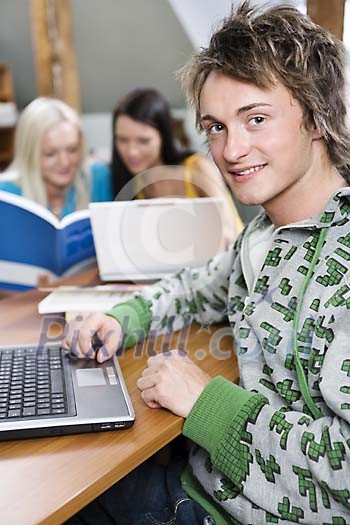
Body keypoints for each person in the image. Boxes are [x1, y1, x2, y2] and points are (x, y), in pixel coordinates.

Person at [63, 2, 350, 524]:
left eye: (256, 119)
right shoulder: (263, 237)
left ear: (317, 116)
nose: (231, 149)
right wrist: (122, 318)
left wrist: (206, 405)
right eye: (215, 127)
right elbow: (196, 287)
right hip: (208, 485)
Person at [91, 88, 243, 245]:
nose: (132, 152)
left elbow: (228, 233)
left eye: (143, 141)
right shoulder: (132, 184)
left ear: (164, 137)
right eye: (122, 140)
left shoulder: (197, 168)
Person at [0, 97, 111, 219]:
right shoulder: (6, 195)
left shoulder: (98, 177)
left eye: (72, 150)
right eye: (50, 153)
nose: (65, 162)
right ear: (30, 154)